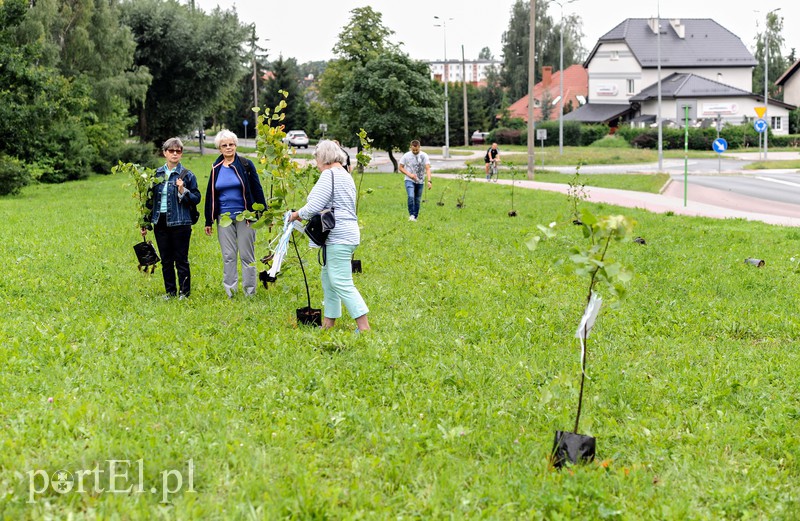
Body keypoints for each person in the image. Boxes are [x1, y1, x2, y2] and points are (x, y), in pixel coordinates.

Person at [288, 140, 370, 332]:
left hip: (339, 236)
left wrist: (295, 215)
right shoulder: (345, 174)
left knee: (341, 281)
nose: (316, 162)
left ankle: (364, 327)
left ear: (323, 157)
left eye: (316, 157)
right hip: (345, 233)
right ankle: (328, 324)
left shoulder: (329, 175)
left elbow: (314, 206)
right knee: (328, 280)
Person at [204, 129, 266, 298]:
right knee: (229, 256)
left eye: (231, 144)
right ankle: (230, 291)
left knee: (247, 255)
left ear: (236, 146)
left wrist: (264, 213)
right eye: (224, 145)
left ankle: (250, 292)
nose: (228, 147)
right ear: (219, 148)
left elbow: (257, 189)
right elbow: (210, 194)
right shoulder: (216, 168)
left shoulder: (246, 165)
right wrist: (208, 221)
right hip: (224, 218)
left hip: (245, 217)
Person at [141, 138, 201, 300]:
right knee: (166, 260)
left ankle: (184, 293)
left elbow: (196, 198)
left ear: (181, 154)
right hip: (160, 222)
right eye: (171, 151)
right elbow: (149, 200)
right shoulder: (156, 175)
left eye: (178, 151)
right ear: (164, 153)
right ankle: (170, 293)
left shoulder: (188, 175)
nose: (175, 154)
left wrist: (183, 190)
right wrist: (145, 222)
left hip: (181, 222)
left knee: (181, 259)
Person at [398, 140, 431, 221]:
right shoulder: (406, 156)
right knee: (411, 196)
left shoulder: (424, 156)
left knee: (417, 199)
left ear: (419, 147)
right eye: (413, 150)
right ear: (410, 148)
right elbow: (400, 167)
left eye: (417, 150)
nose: (415, 151)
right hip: (409, 179)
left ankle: (415, 217)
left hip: (420, 181)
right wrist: (410, 175)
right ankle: (411, 215)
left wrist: (429, 181)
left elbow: (427, 168)